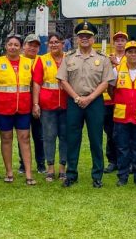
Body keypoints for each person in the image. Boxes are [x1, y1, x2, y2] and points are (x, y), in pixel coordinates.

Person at [57, 22, 115, 188]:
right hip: (74, 101)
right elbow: (63, 80)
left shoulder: (102, 59)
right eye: (81, 36)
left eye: (88, 36)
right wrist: (76, 97)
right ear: (77, 39)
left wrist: (90, 98)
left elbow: (106, 82)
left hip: (95, 102)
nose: (84, 39)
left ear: (93, 39)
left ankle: (97, 175)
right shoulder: (69, 57)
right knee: (72, 139)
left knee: (96, 139)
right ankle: (71, 174)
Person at [0, 34, 35, 185]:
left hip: (23, 108)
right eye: (10, 44)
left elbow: (33, 86)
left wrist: (35, 104)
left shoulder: (28, 63)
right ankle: (9, 172)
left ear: (20, 48)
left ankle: (28, 173)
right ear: (5, 46)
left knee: (25, 139)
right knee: (6, 139)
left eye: (16, 45)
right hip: (3, 108)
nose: (13, 47)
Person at [110, 40, 136, 187]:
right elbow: (111, 89)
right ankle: (122, 176)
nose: (133, 54)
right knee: (122, 147)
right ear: (125, 53)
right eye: (130, 52)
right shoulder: (117, 70)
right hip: (121, 116)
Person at [32, 32, 68, 182]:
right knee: (49, 136)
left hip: (66, 104)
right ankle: (50, 168)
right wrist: (35, 104)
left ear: (62, 43)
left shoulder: (69, 58)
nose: (53, 44)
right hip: (47, 105)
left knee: (65, 137)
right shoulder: (42, 60)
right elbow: (37, 83)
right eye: (51, 42)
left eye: (56, 42)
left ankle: (62, 168)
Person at [20, 34, 46, 174]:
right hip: (22, 102)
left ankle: (41, 163)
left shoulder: (42, 60)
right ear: (24, 46)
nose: (32, 48)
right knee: (22, 135)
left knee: (39, 134)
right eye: (30, 44)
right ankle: (23, 164)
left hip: (38, 102)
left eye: (35, 45)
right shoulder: (18, 60)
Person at [104, 31, 128, 174]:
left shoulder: (131, 57)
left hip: (124, 100)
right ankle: (112, 161)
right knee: (110, 132)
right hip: (108, 100)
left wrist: (117, 64)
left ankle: (125, 160)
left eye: (122, 40)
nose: (120, 43)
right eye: (117, 40)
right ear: (113, 43)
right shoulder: (107, 58)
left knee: (124, 133)